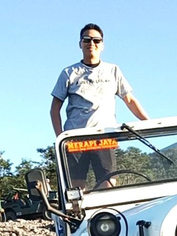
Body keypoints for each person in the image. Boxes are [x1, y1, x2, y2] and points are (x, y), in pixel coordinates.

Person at [50, 23, 149, 189]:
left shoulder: (113, 70)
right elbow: (54, 109)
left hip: (104, 137)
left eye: (96, 40)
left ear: (102, 45)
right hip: (76, 138)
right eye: (87, 40)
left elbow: (129, 100)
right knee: (75, 188)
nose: (91, 44)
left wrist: (148, 123)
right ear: (80, 44)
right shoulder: (69, 72)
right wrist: (60, 138)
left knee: (109, 184)